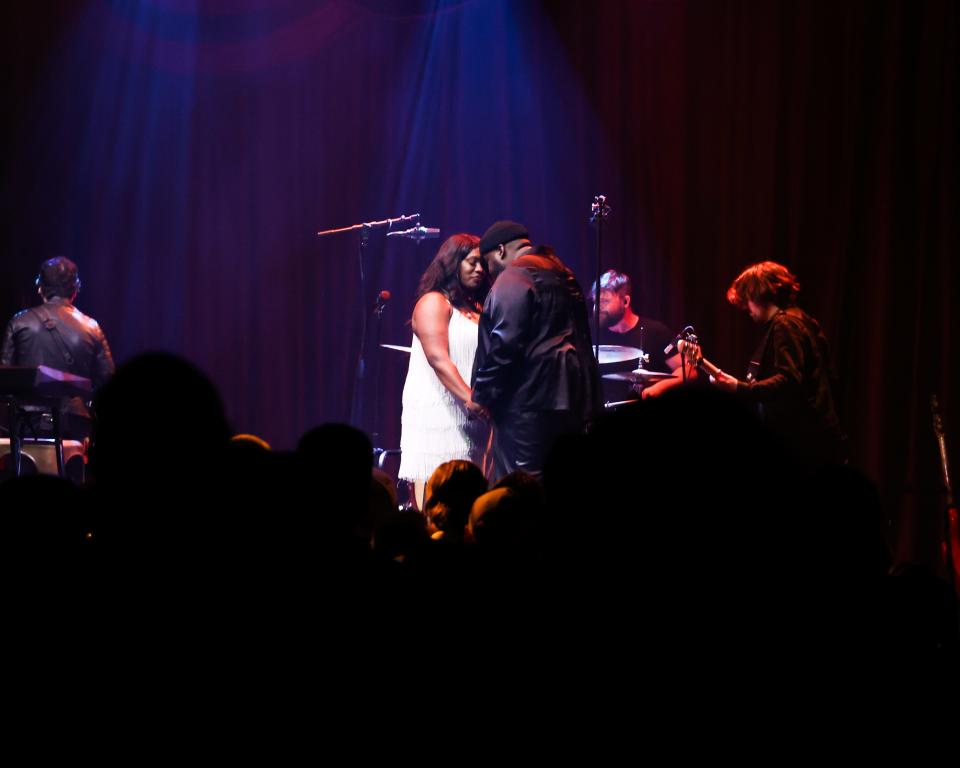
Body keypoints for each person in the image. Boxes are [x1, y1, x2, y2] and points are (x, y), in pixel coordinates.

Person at [471, 220, 601, 480]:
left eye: (487, 264)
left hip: (528, 405)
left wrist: (481, 394)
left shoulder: (514, 277)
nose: (489, 272)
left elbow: (505, 346)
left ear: (500, 251)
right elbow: (584, 342)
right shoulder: (564, 273)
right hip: (573, 400)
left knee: (519, 487)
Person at [710, 260, 844, 467]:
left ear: (758, 294)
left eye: (748, 301)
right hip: (815, 437)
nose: (747, 309)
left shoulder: (785, 324)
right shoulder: (801, 319)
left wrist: (739, 388)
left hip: (802, 443)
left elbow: (788, 380)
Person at [398, 234, 491, 509]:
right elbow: (438, 357)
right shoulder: (434, 302)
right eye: (472, 262)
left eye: (483, 264)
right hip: (442, 411)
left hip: (476, 416)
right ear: (453, 264)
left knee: (470, 496)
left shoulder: (478, 309)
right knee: (440, 497)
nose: (480, 269)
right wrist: (469, 398)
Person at [1, 256, 115, 439]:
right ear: (75, 289)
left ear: (40, 287)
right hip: (74, 426)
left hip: (28, 426)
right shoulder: (92, 327)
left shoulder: (19, 322)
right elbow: (108, 381)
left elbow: (5, 379)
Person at [589, 269, 687, 403]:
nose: (597, 307)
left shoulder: (655, 332)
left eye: (604, 301)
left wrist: (658, 388)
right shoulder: (589, 330)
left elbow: (687, 369)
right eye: (595, 302)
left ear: (625, 301)